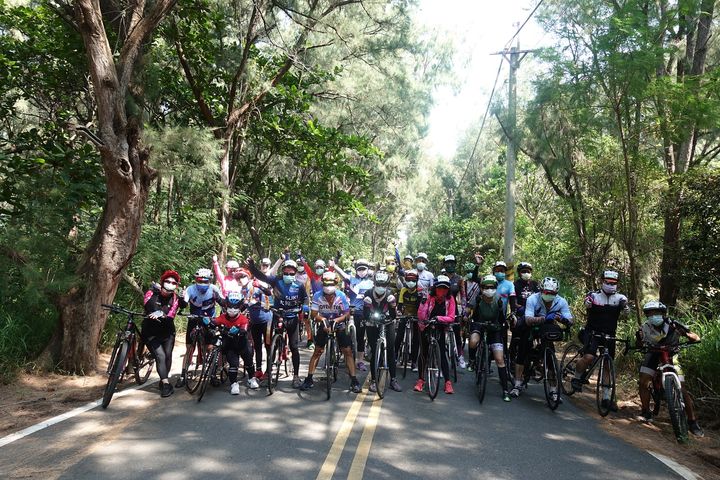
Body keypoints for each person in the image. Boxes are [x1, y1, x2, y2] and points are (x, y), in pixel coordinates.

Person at [636, 301, 703, 437]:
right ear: (647, 315)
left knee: (682, 389)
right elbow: (639, 343)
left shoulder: (674, 324)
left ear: (663, 314)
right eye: (651, 313)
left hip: (671, 355)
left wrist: (691, 337)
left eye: (657, 313)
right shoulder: (645, 327)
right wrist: (639, 340)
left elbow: (694, 336)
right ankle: (645, 411)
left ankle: (692, 421)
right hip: (653, 354)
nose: (654, 315)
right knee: (643, 381)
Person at [571, 271, 628, 411]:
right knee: (589, 357)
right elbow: (587, 303)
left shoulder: (620, 297)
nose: (610, 285)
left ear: (617, 284)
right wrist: (588, 303)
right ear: (602, 281)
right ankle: (577, 377)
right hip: (592, 333)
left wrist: (625, 308)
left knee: (608, 365)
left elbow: (625, 306)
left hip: (610, 335)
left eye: (613, 283)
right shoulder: (594, 295)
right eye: (607, 282)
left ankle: (606, 398)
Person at [509, 276, 573, 400]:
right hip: (531, 326)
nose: (548, 295)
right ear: (541, 290)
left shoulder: (561, 301)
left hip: (547, 328)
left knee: (550, 357)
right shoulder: (532, 299)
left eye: (552, 293)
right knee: (523, 350)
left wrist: (563, 319)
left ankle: (553, 390)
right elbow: (528, 319)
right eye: (546, 292)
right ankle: (517, 384)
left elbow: (570, 320)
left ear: (556, 293)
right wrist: (543, 318)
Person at [248, 257, 306, 388]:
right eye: (286, 273)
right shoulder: (276, 281)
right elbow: (260, 276)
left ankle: (296, 377)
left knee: (294, 347)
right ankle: (268, 373)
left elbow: (304, 301)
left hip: (292, 318)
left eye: (291, 274)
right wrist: (251, 267)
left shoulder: (299, 286)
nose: (288, 275)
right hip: (278, 315)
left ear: (295, 273)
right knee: (271, 346)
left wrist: (303, 309)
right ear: (282, 272)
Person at [300, 272, 361, 393]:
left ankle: (354, 380)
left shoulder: (341, 295)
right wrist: (323, 320)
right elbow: (313, 314)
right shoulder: (317, 296)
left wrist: (337, 320)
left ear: (336, 284)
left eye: (331, 284)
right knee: (317, 351)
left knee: (347, 351)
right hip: (324, 324)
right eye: (326, 283)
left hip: (339, 323)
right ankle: (309, 378)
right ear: (322, 284)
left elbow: (347, 313)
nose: (328, 286)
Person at [176, 268, 224, 388]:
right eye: (199, 281)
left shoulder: (214, 289)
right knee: (189, 349)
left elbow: (222, 302)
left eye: (205, 281)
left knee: (209, 347)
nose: (202, 284)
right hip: (194, 319)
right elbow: (184, 304)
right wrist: (181, 299)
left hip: (209, 321)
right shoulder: (190, 289)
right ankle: (183, 375)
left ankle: (212, 374)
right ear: (195, 280)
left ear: (210, 281)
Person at [468, 275, 511, 401]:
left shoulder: (499, 301)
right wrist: (465, 315)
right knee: (473, 341)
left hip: (494, 329)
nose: (489, 289)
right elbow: (468, 310)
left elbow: (502, 319)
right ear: (482, 288)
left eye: (492, 287)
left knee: (499, 359)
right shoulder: (477, 299)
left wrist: (504, 324)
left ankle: (505, 390)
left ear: (496, 288)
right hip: (479, 325)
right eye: (486, 287)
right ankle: (471, 360)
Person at [143, 270, 186, 398]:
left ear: (176, 286)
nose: (170, 284)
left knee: (167, 355)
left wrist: (162, 314)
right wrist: (156, 312)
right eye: (167, 281)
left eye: (173, 282)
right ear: (162, 282)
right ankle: (166, 384)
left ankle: (163, 379)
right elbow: (148, 305)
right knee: (160, 355)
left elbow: (171, 314)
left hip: (167, 331)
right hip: (150, 331)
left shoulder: (175, 298)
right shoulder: (151, 292)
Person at [415, 275, 457, 394]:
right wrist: (423, 305)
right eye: (440, 288)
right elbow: (421, 316)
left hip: (440, 328)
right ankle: (421, 380)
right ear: (435, 288)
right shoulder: (429, 297)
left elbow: (451, 317)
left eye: (445, 288)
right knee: (423, 353)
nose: (442, 291)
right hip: (426, 326)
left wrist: (439, 318)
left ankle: (448, 382)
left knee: (442, 354)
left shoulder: (450, 299)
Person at [213, 291, 259, 394]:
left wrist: (239, 330)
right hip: (230, 345)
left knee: (249, 361)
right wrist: (209, 322)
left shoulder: (243, 319)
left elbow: (245, 328)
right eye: (230, 307)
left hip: (242, 344)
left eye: (235, 307)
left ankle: (252, 378)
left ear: (240, 307)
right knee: (233, 365)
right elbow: (215, 321)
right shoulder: (223, 317)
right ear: (226, 306)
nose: (232, 310)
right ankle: (234, 383)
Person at [364, 271, 402, 393]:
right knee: (375, 351)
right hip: (372, 323)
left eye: (383, 285)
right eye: (378, 284)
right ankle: (374, 381)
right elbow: (365, 315)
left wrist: (392, 306)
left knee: (390, 351)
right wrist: (366, 309)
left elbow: (393, 316)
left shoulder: (390, 295)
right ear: (374, 283)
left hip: (387, 323)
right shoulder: (368, 294)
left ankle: (393, 380)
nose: (381, 287)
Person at [335, 258, 374, 371]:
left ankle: (360, 361)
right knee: (344, 334)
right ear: (356, 270)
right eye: (359, 269)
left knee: (360, 337)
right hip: (351, 312)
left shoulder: (371, 282)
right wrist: (334, 265)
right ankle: (342, 355)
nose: (361, 271)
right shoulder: (351, 280)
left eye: (364, 269)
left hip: (364, 313)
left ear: (367, 270)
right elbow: (341, 274)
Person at [238, 267, 273, 383]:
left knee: (268, 346)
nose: (241, 279)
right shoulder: (241, 290)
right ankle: (258, 370)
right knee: (257, 346)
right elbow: (243, 305)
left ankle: (269, 370)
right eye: (238, 278)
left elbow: (269, 293)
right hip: (254, 321)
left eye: (243, 277)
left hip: (267, 320)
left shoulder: (255, 285)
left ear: (248, 277)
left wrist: (260, 286)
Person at [509, 261, 539, 365]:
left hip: (534, 314)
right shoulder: (515, 285)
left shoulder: (535, 284)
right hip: (520, 313)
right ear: (519, 273)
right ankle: (512, 359)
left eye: (528, 271)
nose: (526, 273)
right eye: (524, 271)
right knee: (517, 335)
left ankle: (537, 363)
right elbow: (514, 302)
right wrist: (521, 308)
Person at [443, 254, 467, 368]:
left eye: (452, 263)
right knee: (441, 334)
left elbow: (463, 296)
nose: (450, 265)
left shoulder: (459, 279)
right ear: (444, 265)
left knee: (457, 333)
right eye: (448, 263)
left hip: (454, 309)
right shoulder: (440, 277)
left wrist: (464, 310)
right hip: (442, 308)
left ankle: (460, 355)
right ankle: (440, 358)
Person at [395, 269, 421, 372]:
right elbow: (400, 304)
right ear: (405, 280)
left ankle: (414, 361)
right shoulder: (403, 290)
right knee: (399, 335)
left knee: (416, 339)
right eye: (408, 280)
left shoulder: (420, 291)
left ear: (416, 281)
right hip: (405, 315)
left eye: (413, 280)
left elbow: (421, 307)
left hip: (416, 316)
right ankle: (395, 355)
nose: (410, 282)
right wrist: (400, 313)